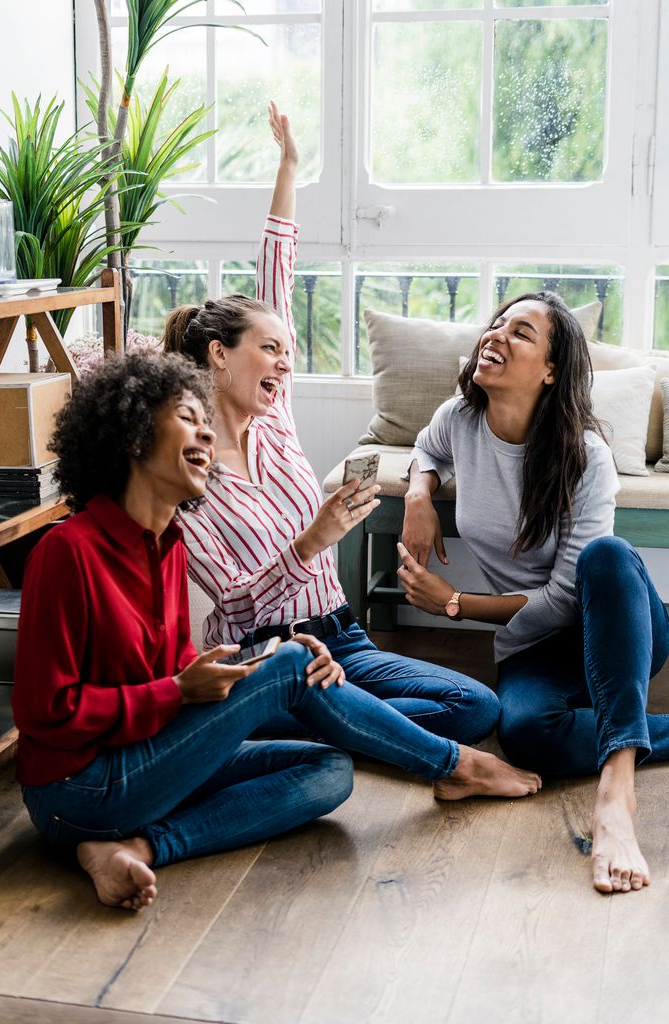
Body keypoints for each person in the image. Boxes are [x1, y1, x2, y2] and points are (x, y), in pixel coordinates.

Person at [12, 351, 541, 911]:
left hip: (149, 764)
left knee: (328, 769)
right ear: (133, 436)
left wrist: (244, 669)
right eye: (187, 417)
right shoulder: (68, 552)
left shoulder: (165, 546)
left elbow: (171, 670)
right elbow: (45, 711)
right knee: (292, 662)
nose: (205, 433)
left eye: (205, 423)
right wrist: (186, 689)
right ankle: (455, 764)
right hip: (78, 790)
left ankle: (138, 847)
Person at [163, 102, 500, 747]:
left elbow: (277, 276)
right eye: (270, 349)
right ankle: (308, 714)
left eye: (287, 351)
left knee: (476, 705)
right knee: (444, 718)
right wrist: (311, 543)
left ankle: (329, 722)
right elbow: (231, 608)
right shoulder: (184, 468)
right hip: (265, 656)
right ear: (219, 354)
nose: (285, 362)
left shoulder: (275, 420)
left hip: (340, 632)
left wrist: (289, 166)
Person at [398, 290, 669, 896]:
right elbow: (427, 446)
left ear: (551, 370)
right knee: (524, 735)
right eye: (496, 323)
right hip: (536, 646)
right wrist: (419, 494)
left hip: (615, 622)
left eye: (520, 332)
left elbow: (567, 598)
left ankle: (617, 789)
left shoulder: (586, 458)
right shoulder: (459, 419)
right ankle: (641, 727)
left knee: (606, 555)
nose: (496, 334)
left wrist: (454, 603)